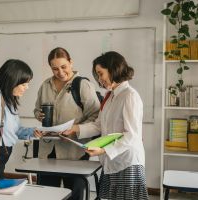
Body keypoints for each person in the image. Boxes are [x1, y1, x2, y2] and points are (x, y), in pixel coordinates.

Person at [63, 51, 149, 200]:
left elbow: (132, 136)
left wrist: (103, 150)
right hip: (112, 162)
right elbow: (99, 125)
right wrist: (75, 129)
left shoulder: (129, 95)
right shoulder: (110, 96)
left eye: (100, 73)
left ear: (113, 69)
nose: (99, 79)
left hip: (127, 163)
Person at [34, 47, 100, 200]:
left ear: (71, 62)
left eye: (63, 67)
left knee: (75, 195)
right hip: (48, 150)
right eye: (55, 68)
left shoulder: (83, 85)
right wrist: (39, 115)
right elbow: (37, 109)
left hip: (74, 151)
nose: (60, 72)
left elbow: (96, 117)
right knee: (47, 195)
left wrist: (75, 129)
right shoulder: (45, 85)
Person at [0, 59, 42, 182]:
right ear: (12, 81)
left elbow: (14, 130)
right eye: (23, 84)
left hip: (0, 157)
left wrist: (33, 132)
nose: (27, 88)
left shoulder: (7, 98)